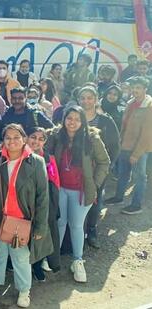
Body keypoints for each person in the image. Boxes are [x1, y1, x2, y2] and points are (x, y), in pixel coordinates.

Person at [0, 123, 51, 308]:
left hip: (21, 221)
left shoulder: (35, 162)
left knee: (21, 259)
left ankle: (24, 290)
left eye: (16, 137)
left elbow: (43, 197)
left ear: (24, 138)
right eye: (8, 138)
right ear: (3, 140)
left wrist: (40, 226)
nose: (12, 141)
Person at [45, 105, 110, 282]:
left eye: (77, 119)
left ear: (83, 121)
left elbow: (104, 162)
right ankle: (52, 257)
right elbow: (41, 147)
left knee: (76, 225)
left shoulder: (92, 138)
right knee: (59, 222)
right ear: (64, 119)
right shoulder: (56, 135)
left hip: (81, 191)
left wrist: (95, 185)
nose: (72, 122)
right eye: (69, 118)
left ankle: (78, 260)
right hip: (60, 189)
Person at [78, 86, 120, 248]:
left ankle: (92, 229)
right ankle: (76, 230)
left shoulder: (105, 121)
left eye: (89, 98)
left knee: (95, 199)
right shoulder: (75, 118)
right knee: (78, 198)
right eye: (83, 98)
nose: (86, 101)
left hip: (98, 169)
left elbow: (115, 146)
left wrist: (108, 167)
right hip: (77, 168)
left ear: (95, 100)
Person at [105, 76, 152, 214]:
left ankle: (136, 205)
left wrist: (137, 154)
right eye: (133, 88)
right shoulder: (130, 103)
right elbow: (124, 126)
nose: (134, 90)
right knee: (123, 173)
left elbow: (147, 134)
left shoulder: (149, 107)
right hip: (125, 146)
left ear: (145, 89)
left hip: (139, 149)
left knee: (140, 177)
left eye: (138, 88)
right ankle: (119, 197)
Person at [26, 127, 61, 279]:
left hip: (42, 201)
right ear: (26, 137)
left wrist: (54, 205)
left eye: (41, 139)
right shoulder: (18, 155)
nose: (36, 141)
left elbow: (55, 182)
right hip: (23, 201)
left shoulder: (49, 158)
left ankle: (37, 265)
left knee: (40, 233)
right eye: (33, 137)